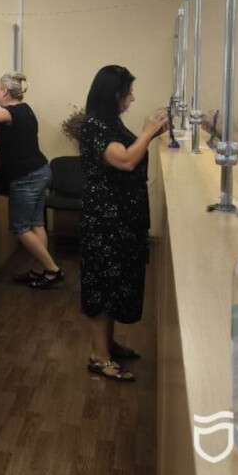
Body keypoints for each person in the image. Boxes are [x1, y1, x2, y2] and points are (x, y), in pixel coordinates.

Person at [66, 65, 167, 382]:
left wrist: (152, 133)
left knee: (116, 282)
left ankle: (107, 344)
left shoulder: (110, 123)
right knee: (103, 285)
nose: (132, 98)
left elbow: (126, 151)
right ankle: (99, 356)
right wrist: (148, 132)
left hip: (122, 218)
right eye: (128, 93)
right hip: (105, 220)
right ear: (114, 95)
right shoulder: (94, 126)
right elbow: (124, 160)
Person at [0, 72, 60, 289]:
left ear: (5, 92)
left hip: (26, 177)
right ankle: (40, 270)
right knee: (36, 223)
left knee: (20, 228)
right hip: (40, 171)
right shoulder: (26, 109)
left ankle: (52, 269)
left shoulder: (9, 112)